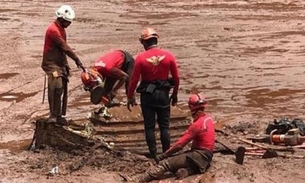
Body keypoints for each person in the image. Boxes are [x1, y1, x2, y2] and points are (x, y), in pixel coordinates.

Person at [128, 93, 215, 182]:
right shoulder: (209, 119)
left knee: (166, 163)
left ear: (191, 107)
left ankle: (140, 179)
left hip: (197, 155)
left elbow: (180, 144)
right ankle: (188, 171)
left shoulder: (197, 125)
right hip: (207, 156)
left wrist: (164, 155)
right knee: (179, 160)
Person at [127, 27, 180, 158]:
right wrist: (175, 94)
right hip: (163, 95)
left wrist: (130, 96)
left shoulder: (140, 58)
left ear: (145, 43)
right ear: (156, 40)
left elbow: (134, 80)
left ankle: (154, 154)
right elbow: (176, 78)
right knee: (164, 126)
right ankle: (166, 154)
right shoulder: (169, 56)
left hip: (147, 96)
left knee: (149, 127)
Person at [41, 5, 83, 125]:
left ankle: (59, 114)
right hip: (50, 63)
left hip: (59, 62)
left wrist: (65, 65)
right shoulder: (53, 30)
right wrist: (76, 59)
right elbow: (65, 48)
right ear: (61, 19)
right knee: (56, 85)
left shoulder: (61, 29)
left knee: (62, 87)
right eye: (68, 21)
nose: (69, 24)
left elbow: (62, 49)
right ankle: (53, 115)